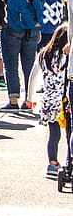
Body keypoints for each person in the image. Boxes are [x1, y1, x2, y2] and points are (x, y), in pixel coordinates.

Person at [37, 26, 69, 176]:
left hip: (49, 100)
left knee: (53, 134)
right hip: (65, 99)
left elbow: (33, 76)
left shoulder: (44, 54)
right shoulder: (67, 56)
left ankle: (52, 163)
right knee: (70, 132)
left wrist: (29, 98)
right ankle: (70, 161)